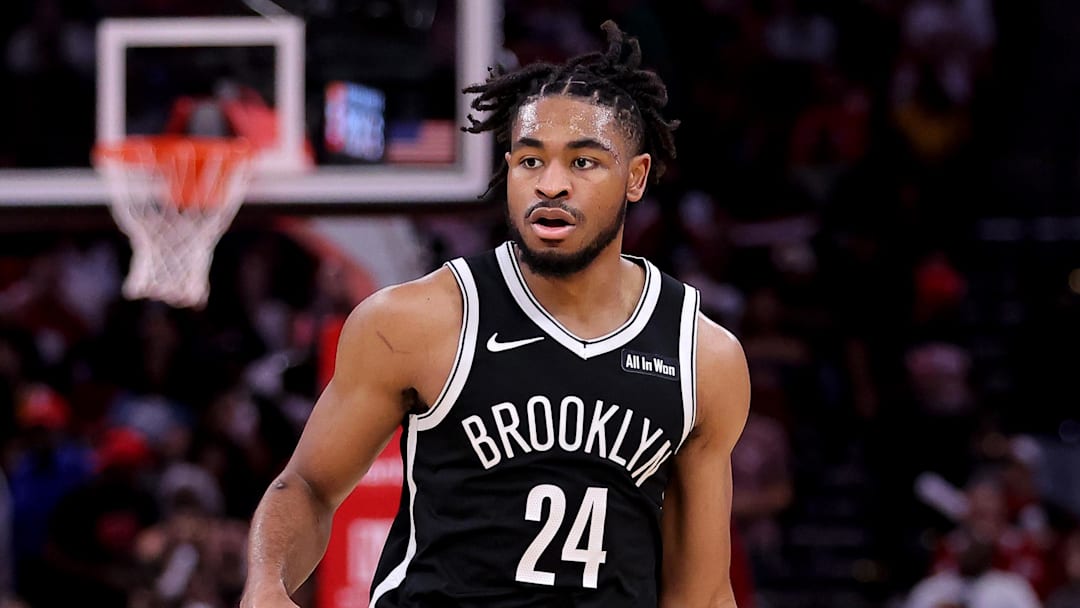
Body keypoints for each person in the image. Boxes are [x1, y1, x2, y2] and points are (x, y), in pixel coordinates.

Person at [240, 20, 751, 608]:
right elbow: (308, 485)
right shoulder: (417, 320)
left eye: (583, 163)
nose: (551, 185)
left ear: (635, 177)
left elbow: (702, 593)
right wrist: (267, 581)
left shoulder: (702, 357)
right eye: (531, 161)